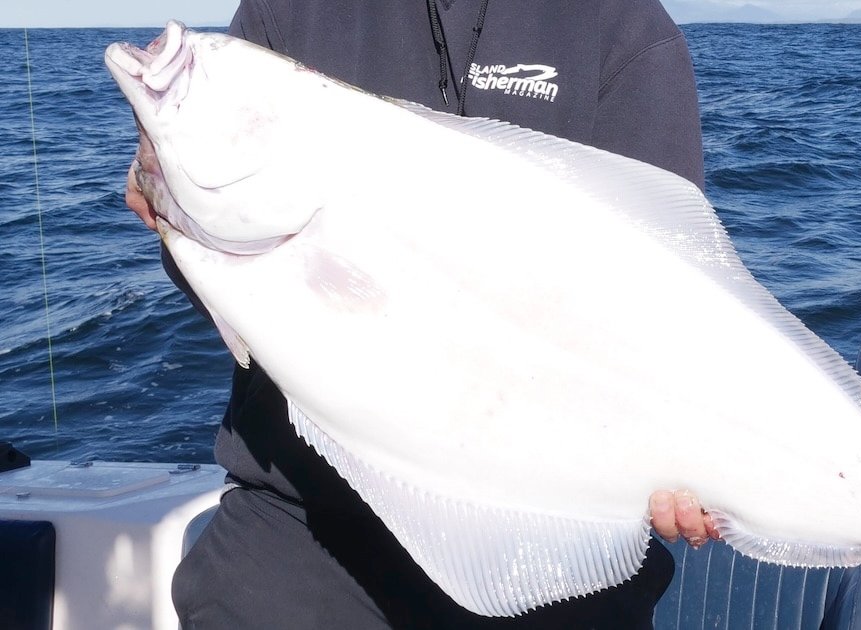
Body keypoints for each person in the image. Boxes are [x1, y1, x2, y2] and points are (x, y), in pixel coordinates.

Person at [125, 0, 715, 627]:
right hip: (307, 516)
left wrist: (687, 460)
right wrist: (179, 217)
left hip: (545, 521)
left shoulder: (622, 28)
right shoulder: (287, 11)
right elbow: (246, 293)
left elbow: (662, 299)